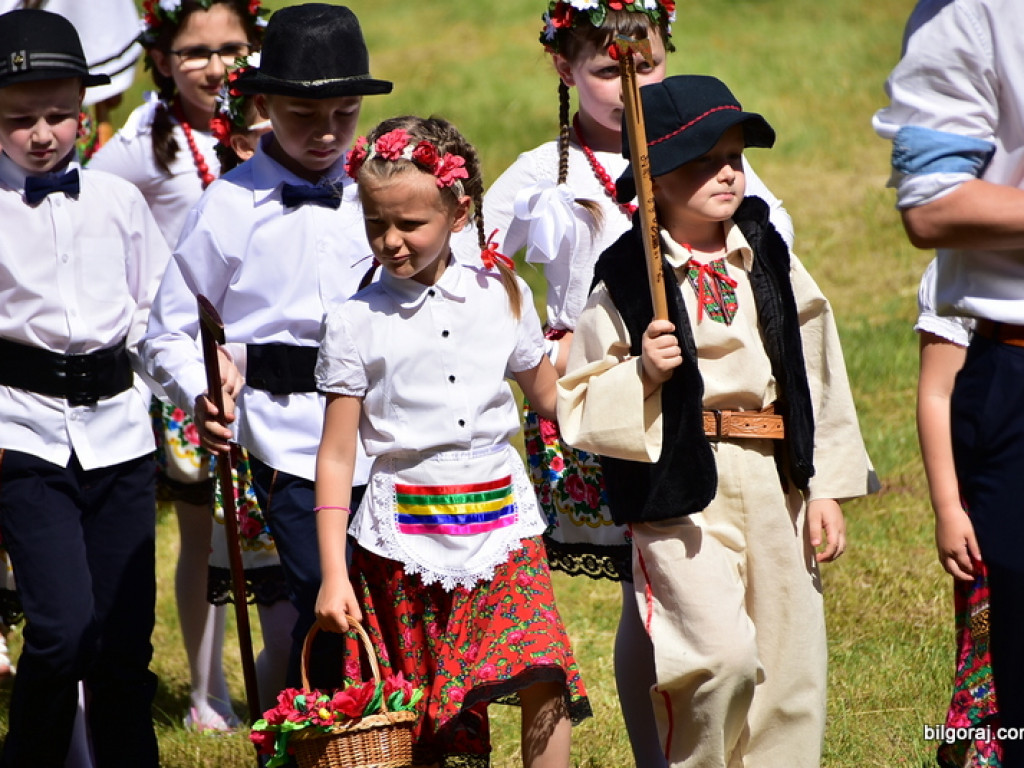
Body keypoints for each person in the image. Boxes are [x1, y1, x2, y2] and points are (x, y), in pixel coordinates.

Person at [469, 3, 795, 765]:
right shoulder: (536, 175)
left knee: (682, 586)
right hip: (612, 401)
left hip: (708, 404)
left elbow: (773, 250)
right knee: (645, 587)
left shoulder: (711, 157)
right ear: (564, 68)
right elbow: (477, 268)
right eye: (609, 71)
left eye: (644, 66)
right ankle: (661, 752)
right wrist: (541, 357)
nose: (631, 85)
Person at [557, 75, 875, 767]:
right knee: (718, 658)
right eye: (701, 160)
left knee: (790, 664)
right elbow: (576, 402)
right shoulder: (627, 277)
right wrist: (642, 371)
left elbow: (814, 366)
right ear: (652, 179)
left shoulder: (768, 255)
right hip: (683, 491)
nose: (726, 172)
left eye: (733, 155)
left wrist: (824, 485)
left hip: (773, 482)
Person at [313, 114, 590, 768]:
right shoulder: (354, 323)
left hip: (504, 529)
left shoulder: (504, 295)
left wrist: (637, 374)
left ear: (459, 212)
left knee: (542, 665)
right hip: (403, 539)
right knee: (428, 707)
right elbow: (336, 454)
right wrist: (332, 573)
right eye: (376, 223)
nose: (391, 240)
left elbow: (550, 396)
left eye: (410, 225)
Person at [141, 1, 393, 692]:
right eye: (303, 116)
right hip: (288, 439)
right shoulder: (228, 206)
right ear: (265, 108)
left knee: (389, 595)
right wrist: (201, 383)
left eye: (342, 115)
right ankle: (321, 730)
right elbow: (167, 328)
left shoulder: (380, 192)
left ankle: (389, 730)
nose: (325, 133)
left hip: (386, 429)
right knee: (323, 589)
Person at [88, 0, 267, 732]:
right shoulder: (144, 144)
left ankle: (283, 671)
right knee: (207, 531)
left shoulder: (270, 120)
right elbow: (89, 206)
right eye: (196, 51)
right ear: (161, 59)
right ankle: (206, 689)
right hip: (193, 369)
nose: (218, 66)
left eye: (232, 47)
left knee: (265, 526)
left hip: (270, 363)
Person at [0, 9, 169, 766]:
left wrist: (201, 388)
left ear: (85, 107)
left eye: (58, 115)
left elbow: (155, 317)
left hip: (121, 436)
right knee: (65, 629)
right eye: (19, 119)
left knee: (123, 643)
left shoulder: (118, 203)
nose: (42, 134)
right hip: (24, 434)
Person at [872, 1, 1024, 762]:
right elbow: (936, 388)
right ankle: (971, 744)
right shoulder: (971, 17)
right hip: (1000, 434)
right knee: (994, 663)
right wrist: (945, 505)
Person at [915, 258, 1002, 767]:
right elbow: (937, 391)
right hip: (995, 490)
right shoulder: (965, 263)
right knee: (994, 644)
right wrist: (948, 506)